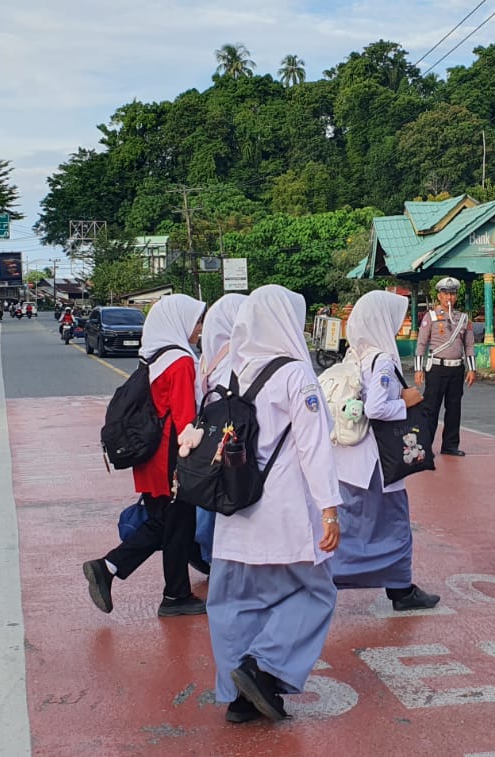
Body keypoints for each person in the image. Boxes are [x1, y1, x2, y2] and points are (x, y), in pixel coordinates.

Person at [206, 285, 342, 725]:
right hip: (283, 511)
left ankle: (239, 697)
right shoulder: (296, 375)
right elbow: (314, 448)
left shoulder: (227, 371)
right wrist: (329, 508)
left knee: (234, 603)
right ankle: (263, 669)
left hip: (233, 509)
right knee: (315, 592)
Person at [82, 294, 209, 617]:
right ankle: (111, 567)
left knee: (167, 523)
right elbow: (184, 418)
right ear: (179, 322)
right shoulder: (181, 361)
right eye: (196, 322)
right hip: (172, 456)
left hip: (151, 457)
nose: (199, 329)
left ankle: (173, 592)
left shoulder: (154, 355)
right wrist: (192, 458)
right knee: (173, 523)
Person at [330, 290, 441, 612]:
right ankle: (399, 589)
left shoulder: (356, 355)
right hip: (377, 461)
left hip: (350, 459)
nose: (401, 322)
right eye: (397, 316)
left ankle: (394, 586)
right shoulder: (381, 359)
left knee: (352, 526)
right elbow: (377, 408)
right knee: (393, 525)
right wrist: (404, 403)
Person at [189, 292, 249, 574]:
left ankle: (205, 549)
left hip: (208, 437)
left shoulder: (208, 357)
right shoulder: (234, 359)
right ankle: (215, 555)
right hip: (228, 439)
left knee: (210, 494)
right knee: (226, 495)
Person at [414, 276, 476, 457]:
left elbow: (469, 345)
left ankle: (450, 445)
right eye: (445, 293)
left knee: (454, 407)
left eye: (452, 294)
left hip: (457, 368)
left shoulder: (463, 318)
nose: (449, 297)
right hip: (437, 368)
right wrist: (419, 369)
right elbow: (421, 344)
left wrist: (472, 369)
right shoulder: (430, 317)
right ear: (439, 296)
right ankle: (425, 445)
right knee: (430, 408)